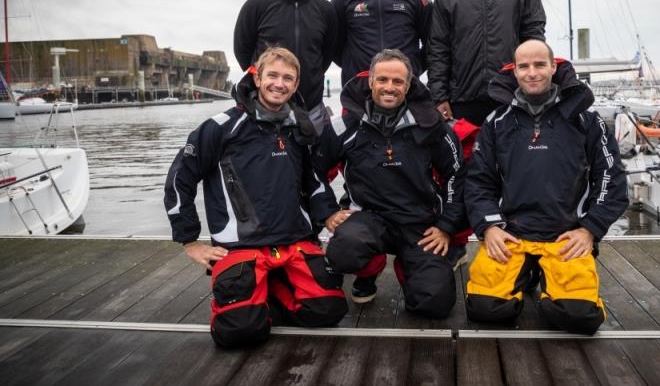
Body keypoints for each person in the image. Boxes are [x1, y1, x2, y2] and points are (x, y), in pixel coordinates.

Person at [164, 47, 347, 347]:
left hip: (293, 241)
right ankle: (253, 292)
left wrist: (326, 213)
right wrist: (189, 241)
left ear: (296, 85)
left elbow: (313, 179)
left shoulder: (299, 127)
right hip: (241, 246)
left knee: (328, 312)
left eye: (288, 78)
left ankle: (272, 287)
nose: (279, 83)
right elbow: (180, 178)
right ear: (257, 78)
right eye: (272, 75)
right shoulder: (221, 127)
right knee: (240, 332)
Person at [464, 39, 628, 334]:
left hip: (565, 236)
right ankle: (526, 273)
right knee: (484, 309)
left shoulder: (587, 120)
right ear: (514, 72)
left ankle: (545, 278)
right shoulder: (496, 122)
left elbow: (611, 180)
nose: (532, 73)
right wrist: (488, 228)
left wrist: (590, 229)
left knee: (579, 317)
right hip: (511, 235)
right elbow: (478, 181)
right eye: (523, 66)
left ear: (554, 67)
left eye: (540, 64)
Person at [318, 49, 465, 317]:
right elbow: (313, 171)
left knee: (435, 303)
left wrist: (446, 227)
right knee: (344, 250)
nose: (390, 87)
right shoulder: (344, 125)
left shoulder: (432, 124)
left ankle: (409, 268)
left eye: (398, 82)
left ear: (408, 86)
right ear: (371, 81)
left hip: (419, 223)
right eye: (383, 80)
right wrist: (327, 212)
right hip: (367, 219)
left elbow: (456, 174)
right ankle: (369, 271)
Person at [427, 0, 547, 126]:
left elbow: (534, 38)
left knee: (511, 158)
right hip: (463, 100)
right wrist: (439, 97)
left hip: (512, 94)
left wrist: (534, 85)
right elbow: (438, 49)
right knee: (468, 158)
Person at [233, 0, 337, 127]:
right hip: (265, 111)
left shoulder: (326, 10)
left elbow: (326, 55)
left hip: (312, 111)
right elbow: (243, 53)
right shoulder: (256, 5)